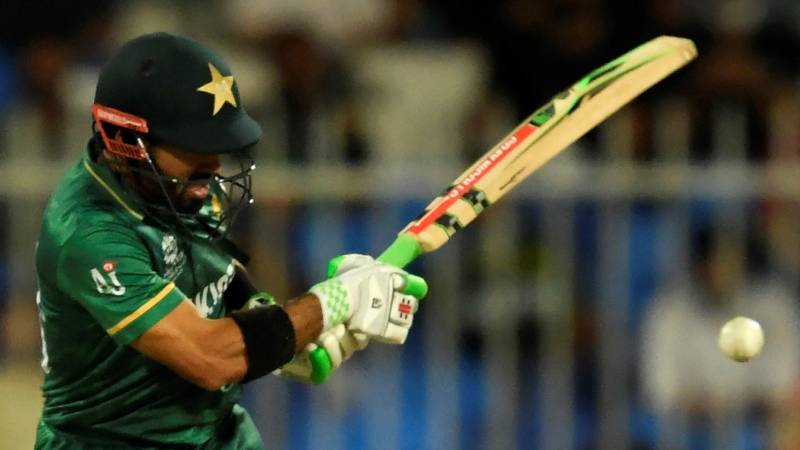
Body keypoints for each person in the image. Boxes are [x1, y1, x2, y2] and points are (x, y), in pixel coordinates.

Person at [33, 32, 426, 449]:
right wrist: (333, 303)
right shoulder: (89, 232)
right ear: (125, 141)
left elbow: (215, 268)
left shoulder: (183, 186)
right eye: (193, 146)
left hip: (217, 434)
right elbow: (211, 357)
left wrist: (278, 328)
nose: (214, 167)